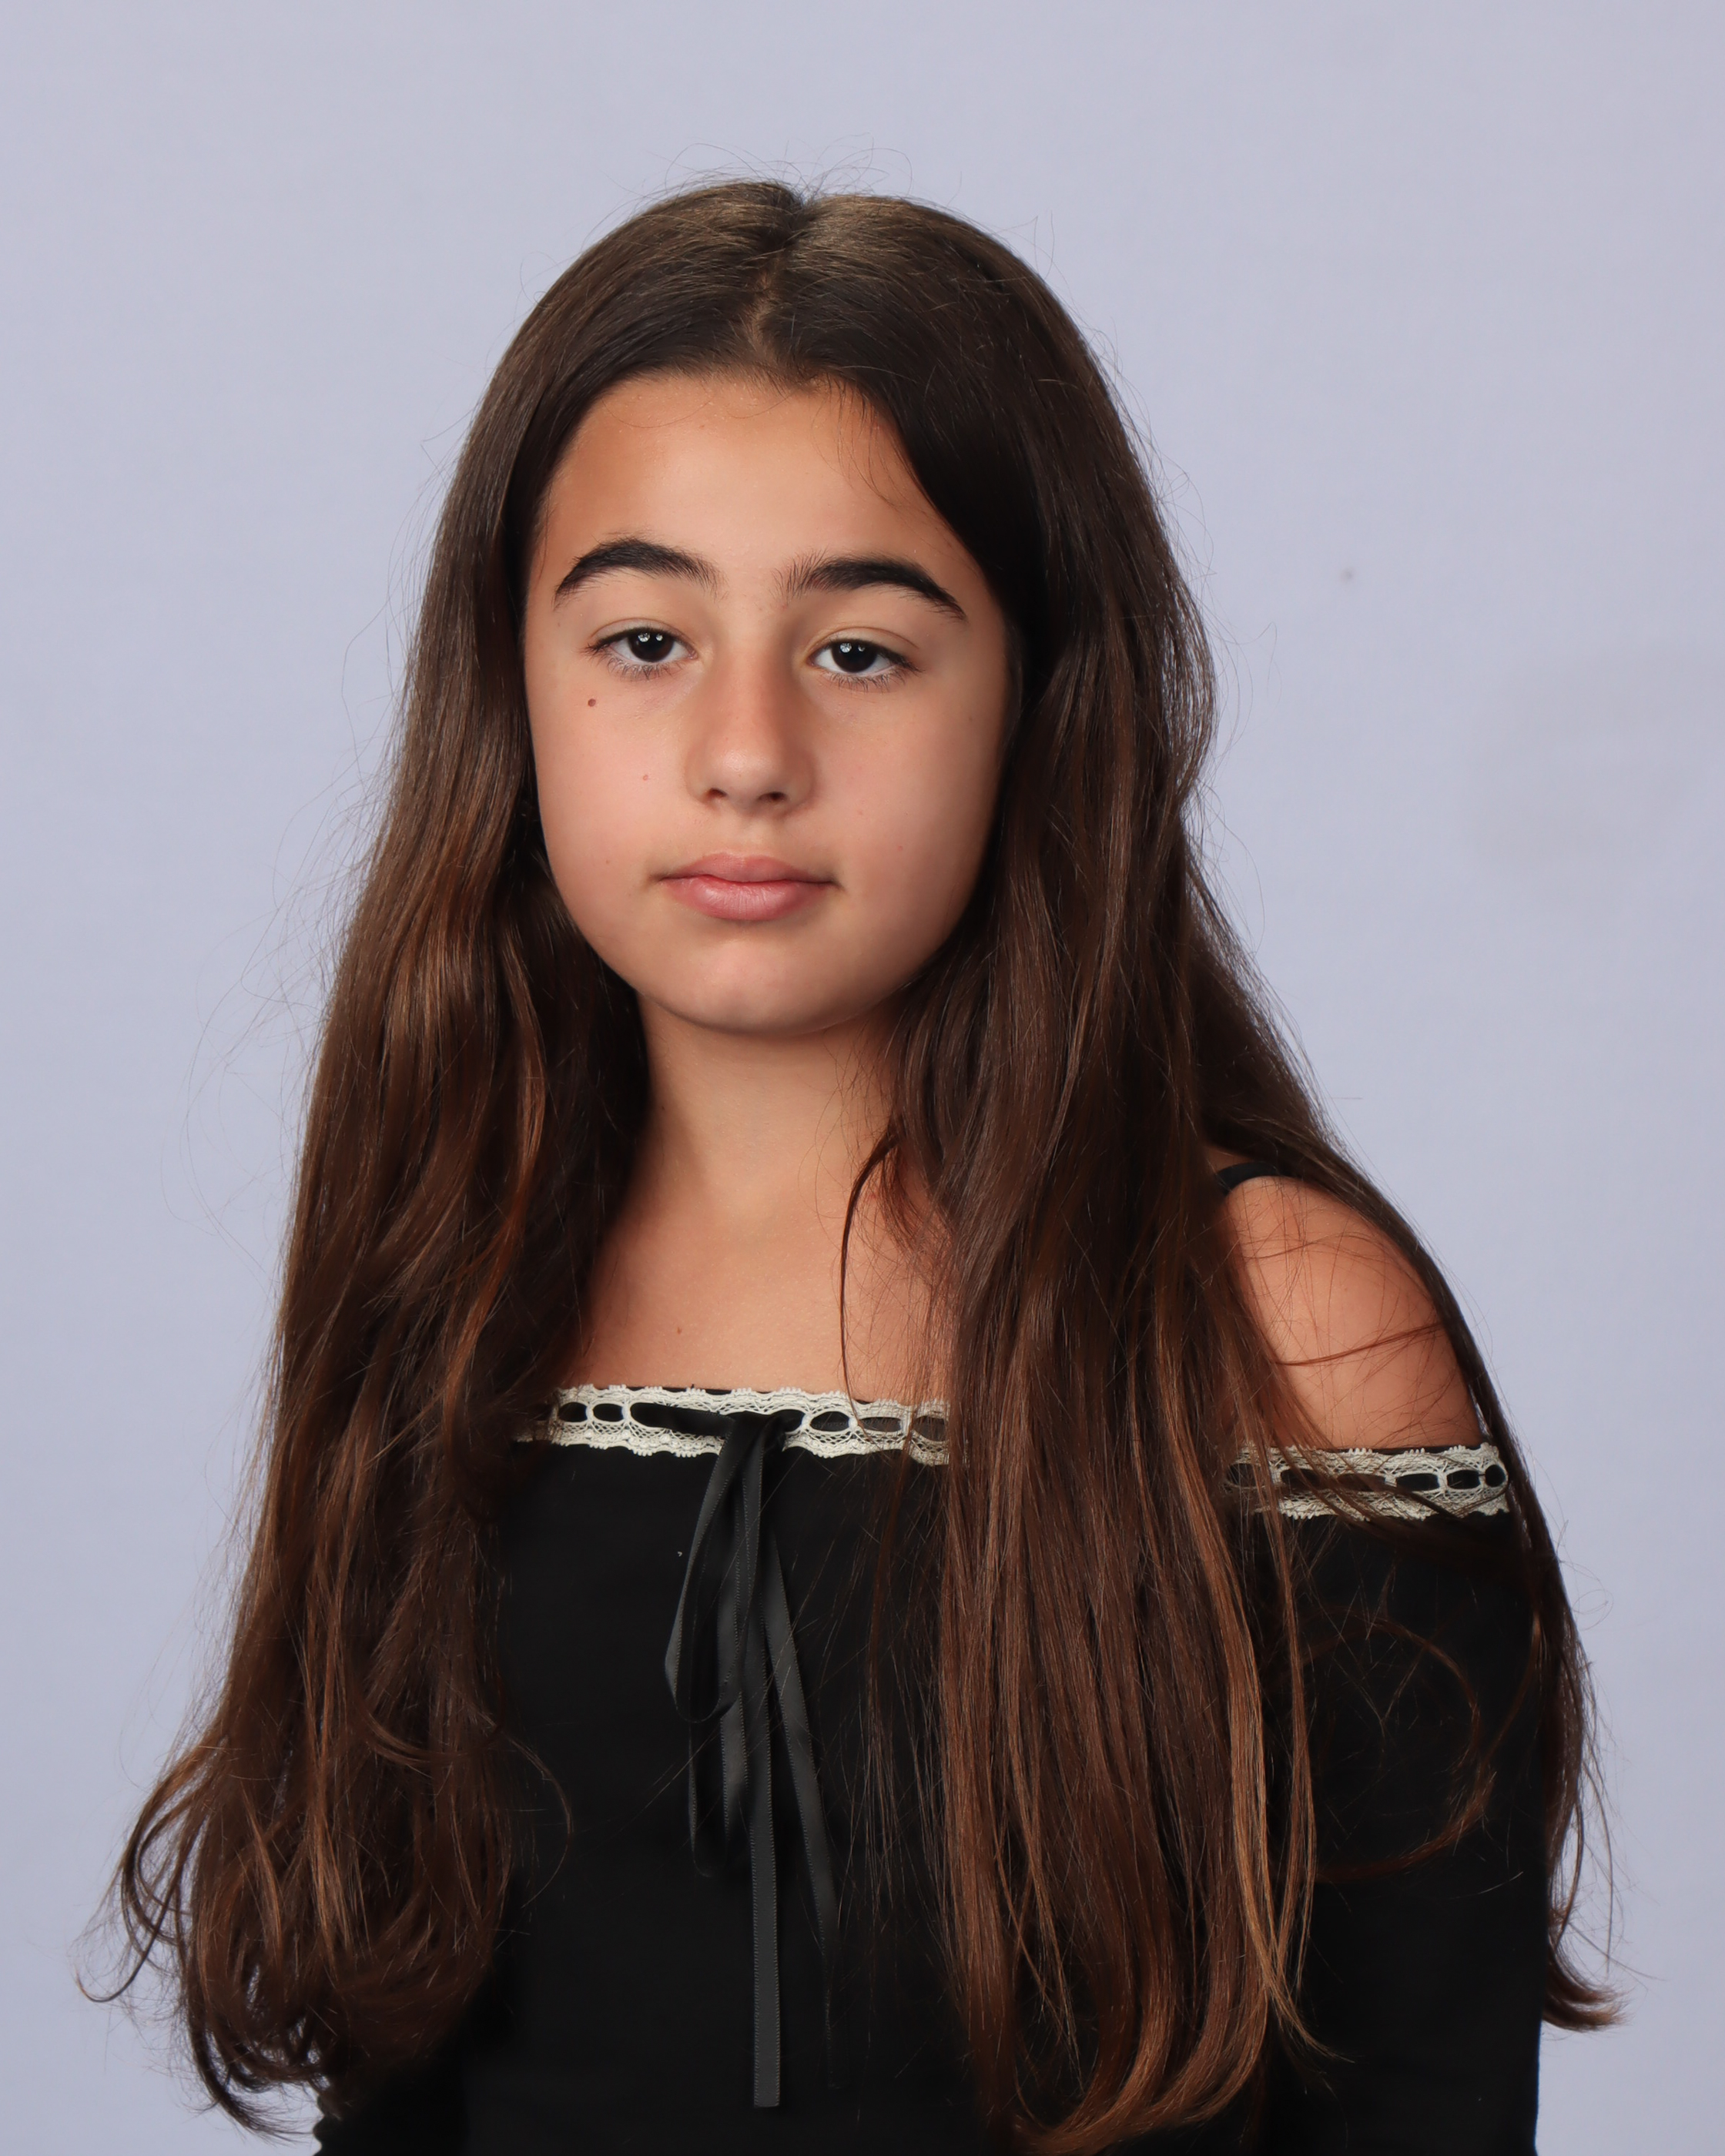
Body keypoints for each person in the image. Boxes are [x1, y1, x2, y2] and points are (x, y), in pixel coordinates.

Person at [110, 181, 1609, 2153]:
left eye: (861, 650)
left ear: (1040, 699)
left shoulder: (1276, 1324)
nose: (745, 750)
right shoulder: (455, 1274)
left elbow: (1422, 2097)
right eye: (646, 638)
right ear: (510, 690)